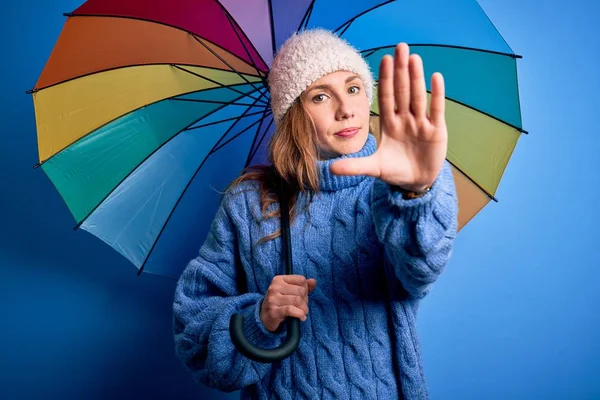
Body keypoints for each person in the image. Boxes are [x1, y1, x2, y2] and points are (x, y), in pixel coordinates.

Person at [173, 28, 458, 400]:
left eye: (353, 88)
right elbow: (195, 339)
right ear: (292, 114)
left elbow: (421, 272)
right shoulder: (248, 202)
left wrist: (415, 192)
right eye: (321, 96)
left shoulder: (402, 181)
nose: (345, 109)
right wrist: (260, 318)